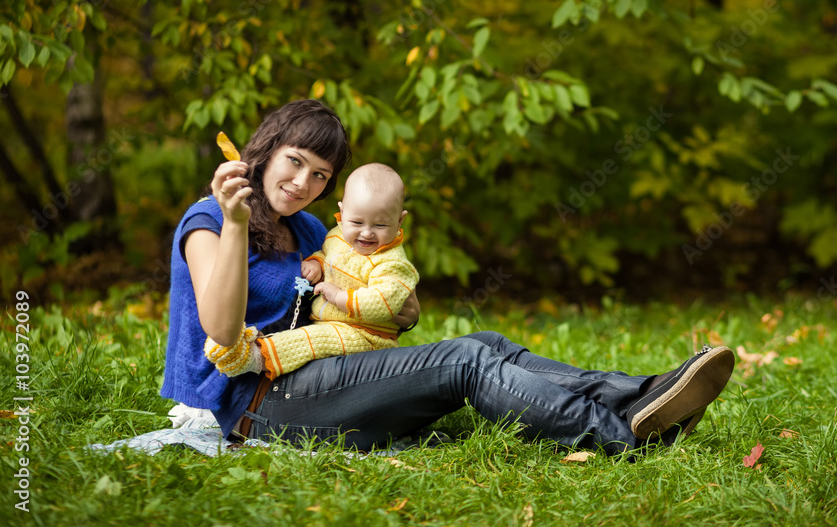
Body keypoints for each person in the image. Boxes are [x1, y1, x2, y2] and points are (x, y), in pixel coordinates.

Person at [160, 99, 735, 453]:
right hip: (254, 404)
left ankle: (643, 394)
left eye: (320, 174)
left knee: (485, 343)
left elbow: (387, 305)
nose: (302, 182)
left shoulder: (312, 232)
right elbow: (220, 325)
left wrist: (402, 306)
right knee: (463, 361)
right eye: (294, 161)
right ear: (264, 150)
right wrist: (236, 224)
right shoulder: (210, 219)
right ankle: (621, 433)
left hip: (319, 376)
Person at [203, 163, 418, 379]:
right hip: (336, 324)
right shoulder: (338, 236)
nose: (367, 233)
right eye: (357, 222)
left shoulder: (392, 262)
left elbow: (382, 303)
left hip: (367, 336)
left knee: (310, 340)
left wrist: (338, 296)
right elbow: (328, 256)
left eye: (380, 225)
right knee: (309, 336)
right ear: (342, 213)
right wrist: (317, 263)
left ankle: (252, 358)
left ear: (399, 220)